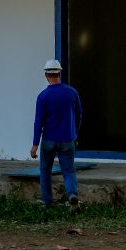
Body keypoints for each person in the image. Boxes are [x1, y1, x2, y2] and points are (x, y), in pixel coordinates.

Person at [30, 59, 83, 209]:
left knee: (45, 171)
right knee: (68, 170)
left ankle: (47, 202)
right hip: (67, 139)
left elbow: (38, 121)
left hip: (48, 140)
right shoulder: (72, 92)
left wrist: (35, 144)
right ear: (60, 73)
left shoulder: (43, 96)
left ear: (46, 75)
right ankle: (72, 195)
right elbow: (79, 115)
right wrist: (75, 134)